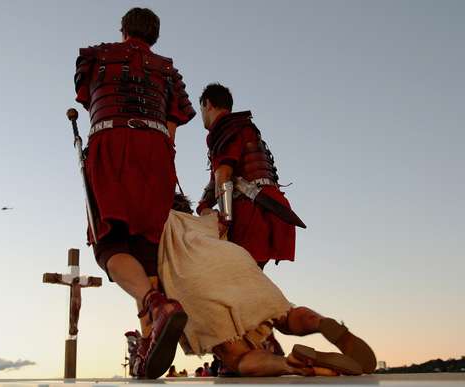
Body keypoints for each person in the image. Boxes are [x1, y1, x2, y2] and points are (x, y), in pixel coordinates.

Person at [74, 7, 195, 379]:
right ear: (155, 35)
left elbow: (85, 95)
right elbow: (173, 125)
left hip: (110, 142)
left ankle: (154, 305)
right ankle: (150, 338)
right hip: (157, 151)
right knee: (146, 247)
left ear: (123, 28)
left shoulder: (94, 56)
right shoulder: (169, 70)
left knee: (110, 245)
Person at [157, 198, 376, 376]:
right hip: (234, 260)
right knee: (284, 315)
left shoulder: (154, 220)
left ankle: (291, 364)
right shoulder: (206, 220)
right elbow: (222, 218)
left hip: (194, 278)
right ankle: (321, 323)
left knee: (236, 356)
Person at [196, 83, 301, 270]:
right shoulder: (243, 126)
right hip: (271, 205)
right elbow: (218, 179)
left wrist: (225, 219)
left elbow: (224, 174)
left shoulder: (224, 127)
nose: (202, 115)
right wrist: (203, 205)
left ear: (208, 104)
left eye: (202, 108)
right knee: (247, 277)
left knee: (237, 277)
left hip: (251, 209)